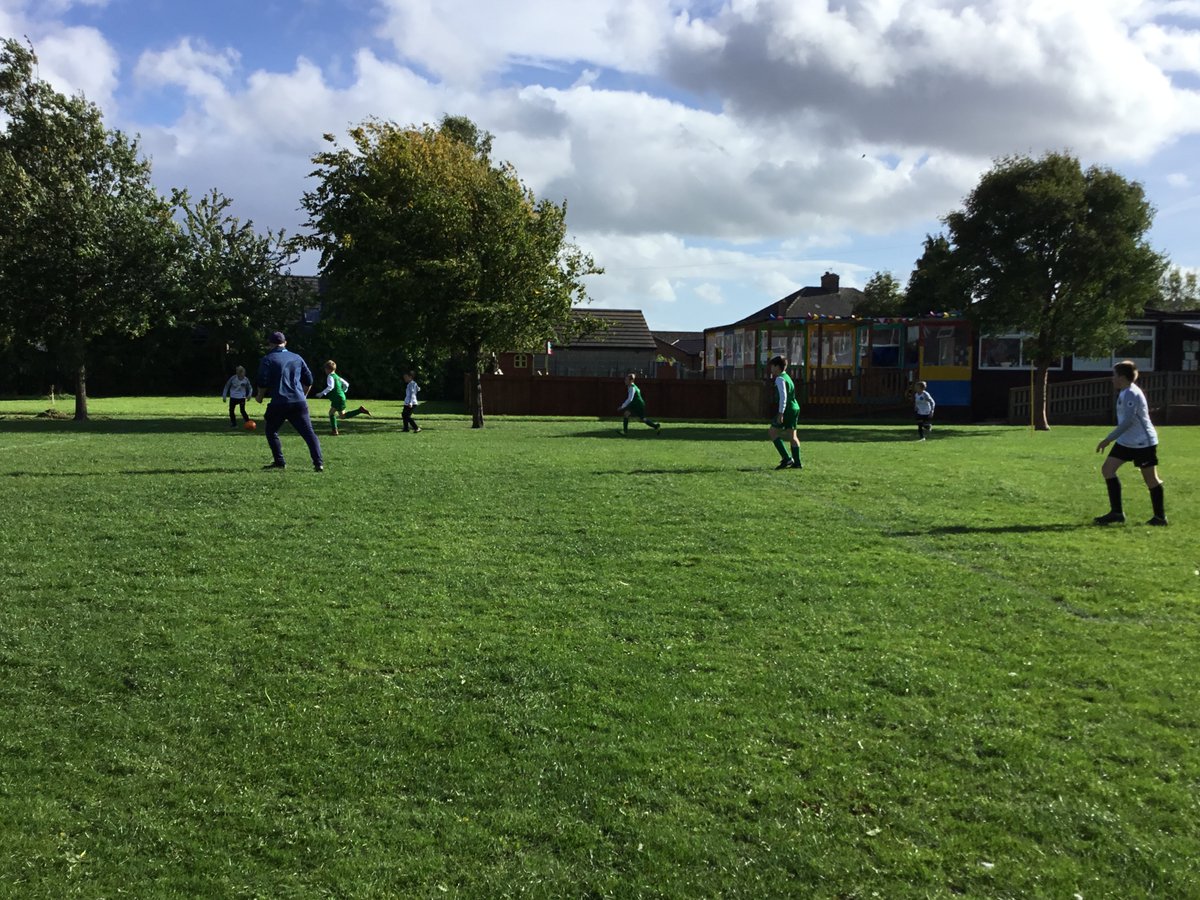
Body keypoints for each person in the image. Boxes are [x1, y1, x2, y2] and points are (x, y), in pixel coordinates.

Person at [1094, 360, 1166, 526]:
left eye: (1114, 375)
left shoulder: (1132, 393)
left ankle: (1160, 518)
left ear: (1122, 377)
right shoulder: (1125, 392)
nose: (1112, 379)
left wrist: (1107, 440)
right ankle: (1117, 513)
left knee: (1151, 479)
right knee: (1107, 470)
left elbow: (1127, 422)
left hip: (1143, 443)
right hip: (1126, 442)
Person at [254, 331, 323, 472]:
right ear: (285, 343)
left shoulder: (268, 359)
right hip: (298, 402)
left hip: (279, 402)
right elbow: (309, 380)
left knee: (271, 431)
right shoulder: (297, 357)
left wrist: (259, 397)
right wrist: (303, 396)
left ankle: (279, 461)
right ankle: (318, 463)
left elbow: (262, 381)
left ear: (271, 344)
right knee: (309, 433)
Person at [313, 360, 370, 435]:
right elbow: (346, 384)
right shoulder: (337, 376)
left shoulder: (330, 376)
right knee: (342, 415)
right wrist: (343, 391)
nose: (325, 371)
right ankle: (360, 410)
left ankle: (335, 431)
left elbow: (331, 387)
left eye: (325, 369)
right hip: (341, 396)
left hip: (337, 398)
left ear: (328, 369)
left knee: (331, 413)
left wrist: (322, 393)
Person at [767, 356, 802, 469]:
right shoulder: (787, 377)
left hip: (787, 409)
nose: (771, 368)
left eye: (772, 366)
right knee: (793, 436)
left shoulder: (780, 379)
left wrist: (781, 413)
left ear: (777, 367)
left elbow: (783, 397)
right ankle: (797, 463)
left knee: (772, 432)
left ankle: (787, 458)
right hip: (794, 407)